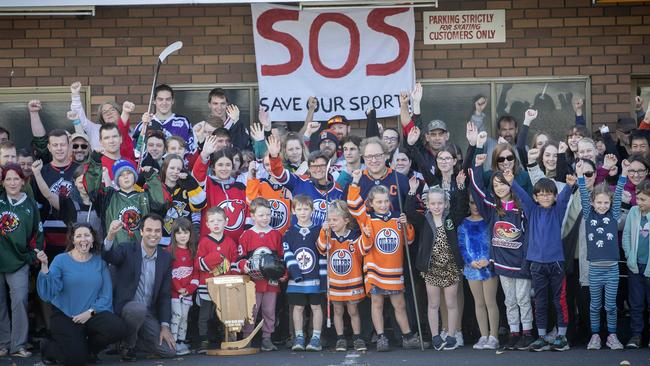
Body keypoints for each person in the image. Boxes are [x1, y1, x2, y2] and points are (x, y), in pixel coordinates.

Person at [348, 171, 420, 351]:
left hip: (394, 270)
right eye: (378, 202)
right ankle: (381, 337)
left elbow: (408, 240)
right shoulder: (368, 219)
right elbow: (352, 203)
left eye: (386, 201)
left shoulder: (397, 218)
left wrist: (406, 225)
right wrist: (355, 181)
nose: (383, 204)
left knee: (400, 305)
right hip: (375, 270)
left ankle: (407, 336)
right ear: (371, 203)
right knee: (377, 303)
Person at [36, 223, 127, 365]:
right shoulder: (61, 260)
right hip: (65, 315)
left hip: (91, 313)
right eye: (78, 236)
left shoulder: (99, 262)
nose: (83, 239)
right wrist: (45, 268)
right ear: (73, 240)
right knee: (76, 360)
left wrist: (89, 313)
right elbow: (49, 292)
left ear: (92, 239)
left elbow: (106, 296)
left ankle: (88, 350)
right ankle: (48, 348)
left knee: (118, 328)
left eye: (86, 235)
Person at [468, 154, 533, 352]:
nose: (500, 188)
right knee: (509, 301)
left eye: (503, 184)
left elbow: (529, 234)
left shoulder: (522, 207)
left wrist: (526, 261)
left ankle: (527, 333)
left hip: (520, 263)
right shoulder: (493, 209)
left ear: (511, 183)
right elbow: (478, 193)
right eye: (496, 186)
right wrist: (477, 167)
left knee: (523, 299)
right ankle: (514, 334)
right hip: (502, 265)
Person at [512, 173, 575, 352]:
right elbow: (522, 196)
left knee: (559, 300)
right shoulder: (532, 210)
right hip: (537, 264)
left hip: (556, 263)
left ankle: (561, 337)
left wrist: (569, 186)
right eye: (541, 194)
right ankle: (541, 337)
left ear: (554, 196)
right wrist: (512, 182)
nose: (545, 197)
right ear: (535, 197)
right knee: (540, 301)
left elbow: (564, 199)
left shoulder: (558, 210)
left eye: (549, 194)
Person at [406, 173, 468, 351]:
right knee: (433, 304)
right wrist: (412, 191)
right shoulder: (424, 220)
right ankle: (435, 336)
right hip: (431, 269)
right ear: (427, 204)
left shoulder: (451, 218)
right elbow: (409, 211)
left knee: (451, 303)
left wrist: (461, 187)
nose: (436, 206)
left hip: (450, 268)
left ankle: (451, 334)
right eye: (432, 203)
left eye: (440, 203)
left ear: (445, 203)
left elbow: (463, 207)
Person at [102, 214, 176, 361]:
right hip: (126, 310)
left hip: (148, 314)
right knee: (137, 309)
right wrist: (110, 235)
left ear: (161, 233)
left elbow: (165, 295)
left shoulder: (166, 258)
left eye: (157, 231)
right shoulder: (127, 249)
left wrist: (165, 326)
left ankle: (133, 340)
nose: (153, 234)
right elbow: (109, 256)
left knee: (169, 352)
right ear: (141, 232)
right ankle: (127, 346)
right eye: (149, 230)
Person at [577, 160, 626, 350]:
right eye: (599, 202)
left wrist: (623, 174)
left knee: (611, 306)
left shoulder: (614, 215)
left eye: (606, 202)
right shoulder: (589, 216)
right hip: (594, 270)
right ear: (592, 202)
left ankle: (612, 336)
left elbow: (619, 192)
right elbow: (582, 193)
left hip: (612, 269)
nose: (603, 205)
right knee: (595, 305)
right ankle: (595, 336)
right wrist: (580, 176)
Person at [0, 164, 44, 358]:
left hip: (19, 260)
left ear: (23, 180)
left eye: (16, 178)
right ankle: (3, 343)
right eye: (8, 179)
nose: (12, 182)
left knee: (19, 300)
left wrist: (33, 256)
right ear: (2, 182)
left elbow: (38, 234)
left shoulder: (30, 205)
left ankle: (18, 345)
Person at [316, 199, 368, 352]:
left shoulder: (353, 236)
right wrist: (323, 231)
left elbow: (363, 249)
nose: (332, 223)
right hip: (335, 282)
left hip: (352, 281)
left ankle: (357, 337)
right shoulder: (329, 236)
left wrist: (367, 234)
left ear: (346, 220)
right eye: (329, 220)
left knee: (353, 311)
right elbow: (322, 248)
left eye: (335, 219)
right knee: (337, 311)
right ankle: (340, 339)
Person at [235, 198, 285, 351]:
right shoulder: (246, 235)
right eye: (261, 215)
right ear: (253, 215)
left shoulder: (276, 235)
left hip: (271, 282)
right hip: (253, 282)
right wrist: (246, 267)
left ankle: (267, 338)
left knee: (269, 310)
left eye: (268, 215)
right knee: (251, 310)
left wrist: (284, 273)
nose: (265, 218)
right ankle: (247, 337)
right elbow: (239, 260)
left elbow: (282, 258)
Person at [85, 154, 165, 244]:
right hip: (115, 251)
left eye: (128, 173)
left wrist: (151, 177)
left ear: (134, 176)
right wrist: (95, 161)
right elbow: (91, 188)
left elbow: (160, 204)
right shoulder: (109, 197)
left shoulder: (145, 196)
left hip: (140, 251)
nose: (126, 177)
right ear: (116, 180)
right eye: (121, 175)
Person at [268, 135, 343, 226]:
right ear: (309, 168)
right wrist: (274, 157)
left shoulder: (338, 190)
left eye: (322, 166)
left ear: (328, 166)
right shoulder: (299, 182)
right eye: (314, 166)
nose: (318, 169)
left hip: (324, 239)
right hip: (300, 237)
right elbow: (279, 174)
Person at [283, 194, 326, 352]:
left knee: (316, 307)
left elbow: (324, 249)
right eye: (299, 209)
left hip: (315, 278)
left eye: (306, 209)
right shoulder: (289, 232)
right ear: (293, 211)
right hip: (297, 279)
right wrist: (295, 272)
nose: (302, 212)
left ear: (312, 210)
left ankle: (316, 337)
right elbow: (287, 253)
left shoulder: (319, 230)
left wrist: (325, 233)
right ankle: (299, 336)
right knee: (298, 307)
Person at [457, 193, 500, 350]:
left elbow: (495, 242)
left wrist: (488, 259)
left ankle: (494, 336)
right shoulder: (463, 224)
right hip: (472, 268)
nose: (475, 206)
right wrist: (470, 262)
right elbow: (462, 246)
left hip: (488, 268)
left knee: (490, 302)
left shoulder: (489, 221)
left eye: (478, 203)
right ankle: (483, 335)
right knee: (479, 303)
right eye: (472, 203)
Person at [194, 207, 238, 352]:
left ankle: (227, 337)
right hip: (207, 285)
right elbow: (199, 264)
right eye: (212, 221)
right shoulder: (204, 242)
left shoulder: (230, 242)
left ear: (226, 222)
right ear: (207, 224)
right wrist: (215, 258)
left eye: (219, 220)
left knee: (225, 313)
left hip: (225, 285)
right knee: (205, 315)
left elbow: (234, 264)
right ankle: (203, 340)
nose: (216, 223)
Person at [192, 137, 248, 241]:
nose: (224, 168)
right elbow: (197, 177)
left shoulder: (240, 187)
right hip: (210, 245)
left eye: (228, 165)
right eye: (220, 165)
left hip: (236, 247)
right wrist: (204, 156)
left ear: (232, 166)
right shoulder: (208, 184)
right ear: (213, 167)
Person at [622, 180, 650, 349]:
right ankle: (636, 335)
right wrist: (629, 256)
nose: (639, 203)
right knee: (636, 302)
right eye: (638, 199)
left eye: (643, 200)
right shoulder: (633, 212)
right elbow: (626, 236)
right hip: (635, 266)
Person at [132, 84, 195, 155]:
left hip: (175, 165)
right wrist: (144, 128)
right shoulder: (144, 123)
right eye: (160, 99)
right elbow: (136, 153)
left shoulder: (183, 122)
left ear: (173, 101)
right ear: (154, 101)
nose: (164, 103)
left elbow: (191, 150)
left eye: (168, 99)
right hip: (150, 165)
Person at [167, 218, 199, 356]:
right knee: (176, 315)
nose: (182, 235)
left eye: (185, 232)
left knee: (184, 317)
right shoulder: (169, 251)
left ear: (190, 234)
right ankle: (172, 342)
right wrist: (178, 287)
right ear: (173, 235)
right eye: (178, 233)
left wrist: (190, 289)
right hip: (174, 292)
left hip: (187, 292)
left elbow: (196, 273)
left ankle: (181, 341)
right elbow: (168, 273)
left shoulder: (193, 251)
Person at [160, 154, 206, 245]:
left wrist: (190, 182)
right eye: (172, 168)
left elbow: (200, 204)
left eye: (179, 169)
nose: (175, 172)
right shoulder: (156, 188)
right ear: (165, 168)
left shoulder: (186, 188)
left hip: (183, 242)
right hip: (161, 242)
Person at [247, 158, 292, 235]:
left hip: (283, 237)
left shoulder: (290, 185)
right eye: (267, 165)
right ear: (264, 167)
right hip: (263, 236)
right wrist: (251, 176)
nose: (271, 167)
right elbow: (250, 202)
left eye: (273, 163)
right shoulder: (261, 183)